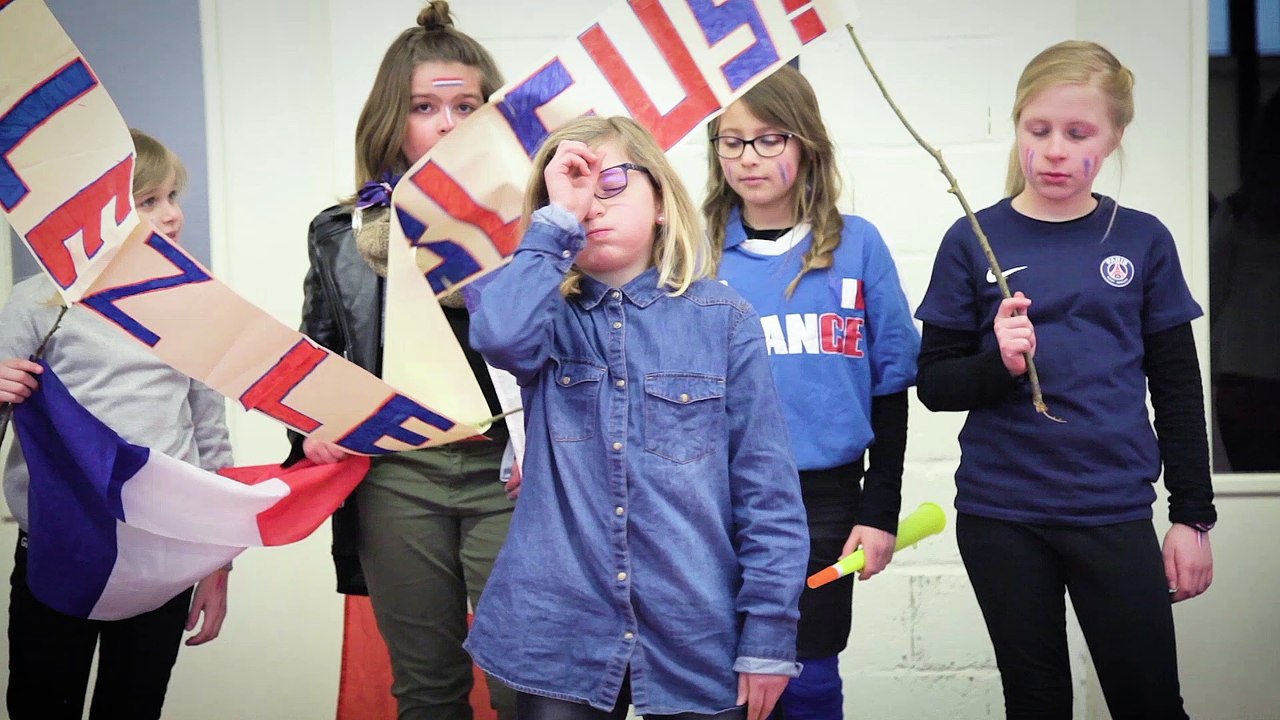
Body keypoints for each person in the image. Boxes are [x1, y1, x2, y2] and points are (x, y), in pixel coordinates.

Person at [462, 115, 809, 720]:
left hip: (694, 628)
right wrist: (555, 225)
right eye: (571, 190)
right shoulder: (541, 313)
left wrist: (769, 636)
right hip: (559, 632)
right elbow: (500, 336)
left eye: (612, 183)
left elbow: (768, 491)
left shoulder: (723, 318)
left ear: (660, 203)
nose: (591, 203)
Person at [913, 40, 1216, 719]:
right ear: (1018, 125)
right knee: (1037, 701)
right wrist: (999, 364)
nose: (1054, 149)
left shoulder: (1141, 239)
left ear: (1112, 139)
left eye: (1077, 133)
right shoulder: (973, 240)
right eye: (1038, 129)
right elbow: (935, 384)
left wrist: (1192, 517)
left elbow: (1177, 389)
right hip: (1002, 516)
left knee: (1149, 702)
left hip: (1110, 509)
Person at [288, 3, 515, 718]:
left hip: (510, 474)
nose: (448, 124)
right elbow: (315, 354)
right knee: (426, 689)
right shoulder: (339, 232)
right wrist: (307, 433)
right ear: (395, 118)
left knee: (526, 684)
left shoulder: (536, 221)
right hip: (396, 480)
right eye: (426, 107)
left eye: (465, 106)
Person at [703, 64, 919, 719]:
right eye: (731, 140)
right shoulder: (693, 250)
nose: (748, 157)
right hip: (715, 496)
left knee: (810, 674)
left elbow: (889, 387)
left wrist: (879, 509)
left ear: (806, 145)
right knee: (723, 679)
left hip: (824, 497)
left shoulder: (858, 246)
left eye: (770, 139)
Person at [0, 129, 233, 720]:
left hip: (163, 558)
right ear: (95, 214)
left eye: (174, 196)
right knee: (39, 702)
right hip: (59, 551)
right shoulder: (39, 306)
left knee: (135, 706)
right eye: (148, 201)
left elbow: (210, 437)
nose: (173, 216)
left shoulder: (197, 307)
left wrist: (217, 561)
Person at [1209, 87, 1280, 472]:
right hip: (1248, 381)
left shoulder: (1238, 213)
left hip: (1245, 379)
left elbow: (1211, 294)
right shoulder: (1238, 214)